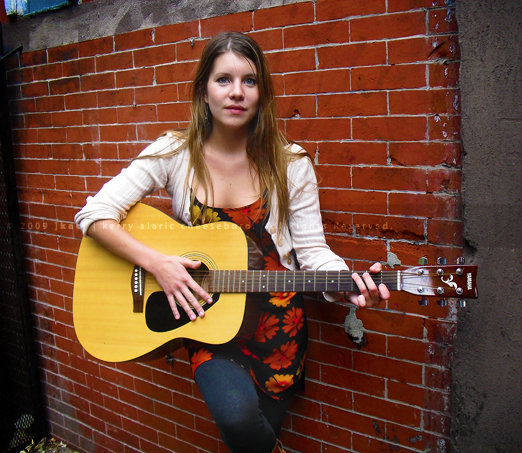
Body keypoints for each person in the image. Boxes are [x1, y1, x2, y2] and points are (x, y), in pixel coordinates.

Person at [74, 31, 390, 453]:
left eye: (250, 81)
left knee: (252, 444)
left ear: (263, 93)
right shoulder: (174, 153)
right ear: (204, 91)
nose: (237, 92)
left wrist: (346, 285)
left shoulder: (291, 162)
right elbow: (94, 214)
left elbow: (313, 254)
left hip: (278, 327)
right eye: (223, 80)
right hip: (207, 321)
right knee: (238, 416)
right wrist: (157, 263)